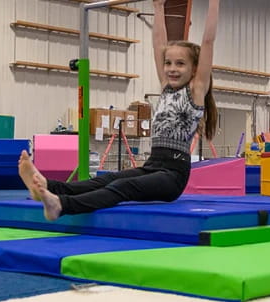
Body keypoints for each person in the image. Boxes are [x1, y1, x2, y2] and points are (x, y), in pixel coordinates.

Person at [18, 0, 220, 221]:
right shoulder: (165, 87)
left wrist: (214, 4)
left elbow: (208, 42)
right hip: (152, 165)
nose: (172, 68)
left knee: (123, 187)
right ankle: (48, 186)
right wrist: (159, 7)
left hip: (173, 176)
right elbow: (158, 45)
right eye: (168, 63)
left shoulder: (196, 90)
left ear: (194, 70)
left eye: (180, 64)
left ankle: (61, 205)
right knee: (106, 179)